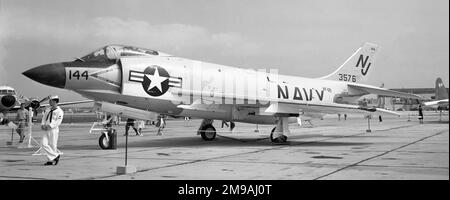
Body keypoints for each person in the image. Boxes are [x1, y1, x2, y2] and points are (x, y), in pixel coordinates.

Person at [38, 95, 63, 166]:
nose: (49, 102)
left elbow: (58, 121)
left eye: (50, 101)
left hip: (53, 130)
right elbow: (44, 118)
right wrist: (42, 125)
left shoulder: (59, 111)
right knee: (43, 144)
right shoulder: (48, 110)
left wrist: (50, 126)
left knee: (53, 145)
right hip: (46, 129)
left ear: (55, 101)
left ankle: (50, 160)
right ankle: (55, 156)